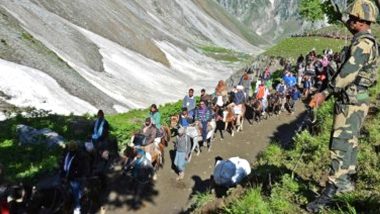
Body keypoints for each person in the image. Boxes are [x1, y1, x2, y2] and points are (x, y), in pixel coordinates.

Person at [307, 1, 379, 212]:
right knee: (351, 142)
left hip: (351, 101)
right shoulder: (367, 41)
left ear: (360, 21)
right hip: (358, 99)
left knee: (339, 145)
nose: (348, 21)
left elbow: (347, 74)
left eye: (351, 18)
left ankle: (329, 193)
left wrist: (325, 93)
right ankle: (345, 182)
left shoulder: (362, 44)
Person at [60, 141, 89, 214]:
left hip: (76, 177)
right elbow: (64, 163)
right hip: (67, 175)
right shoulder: (67, 154)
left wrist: (73, 175)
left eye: (71, 148)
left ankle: (77, 208)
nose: (70, 149)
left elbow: (80, 168)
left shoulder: (79, 155)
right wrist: (62, 173)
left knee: (75, 192)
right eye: (69, 148)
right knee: (62, 189)